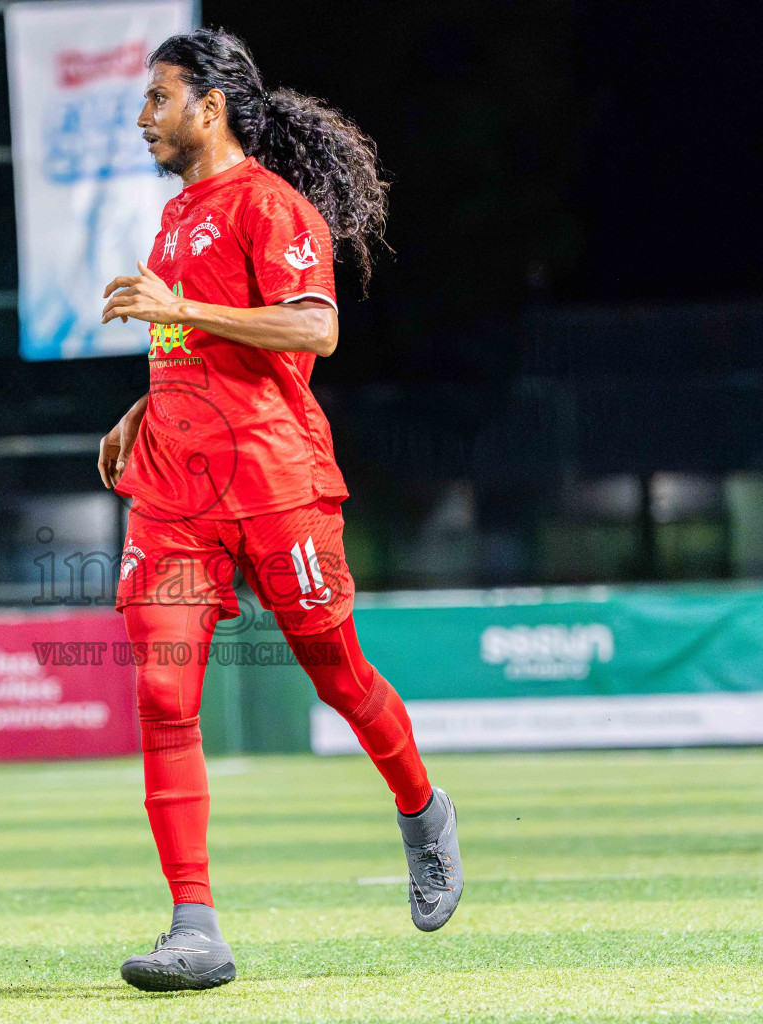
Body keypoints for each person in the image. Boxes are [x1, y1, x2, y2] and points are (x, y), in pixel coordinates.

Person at [98, 28, 462, 992]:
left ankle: (423, 811)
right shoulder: (176, 219)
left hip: (274, 486)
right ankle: (194, 926)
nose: (144, 118)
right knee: (163, 692)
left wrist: (180, 309)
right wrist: (143, 406)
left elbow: (315, 326)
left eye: (157, 99)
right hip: (176, 496)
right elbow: (197, 336)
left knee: (338, 676)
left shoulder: (272, 205)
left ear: (208, 108)